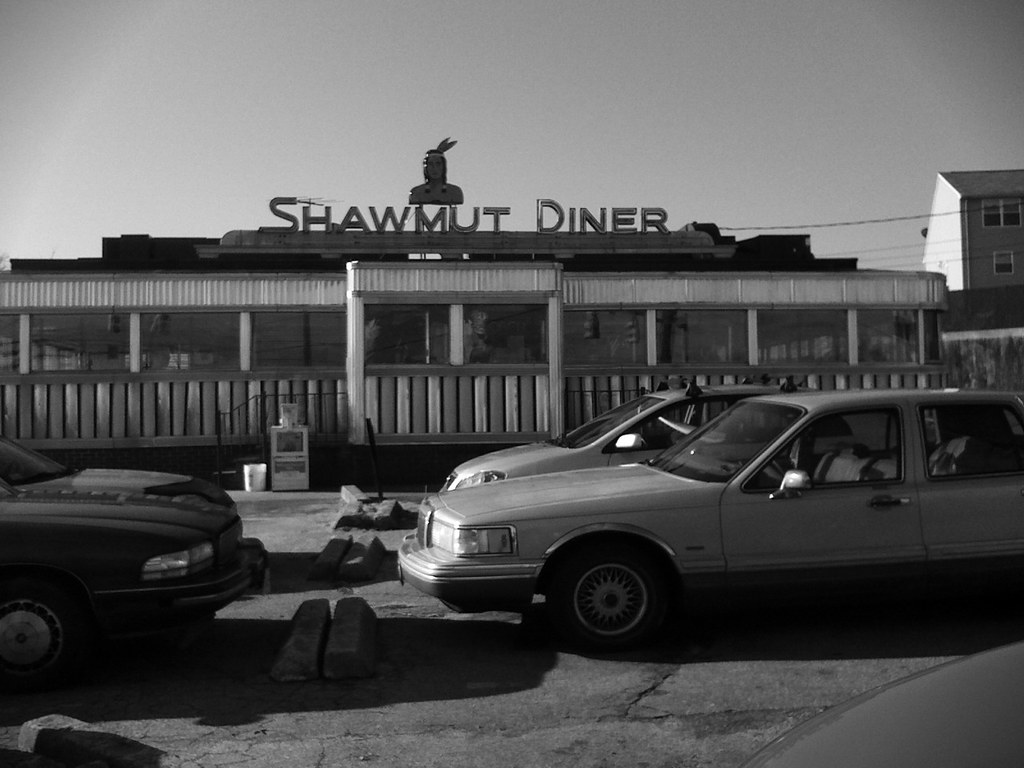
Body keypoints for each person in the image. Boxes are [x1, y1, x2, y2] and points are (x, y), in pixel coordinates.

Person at [409, 137, 464, 205]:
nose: (434, 168)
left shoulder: (455, 192)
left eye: (438, 164)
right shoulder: (416, 192)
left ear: (443, 167)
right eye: (430, 164)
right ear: (426, 167)